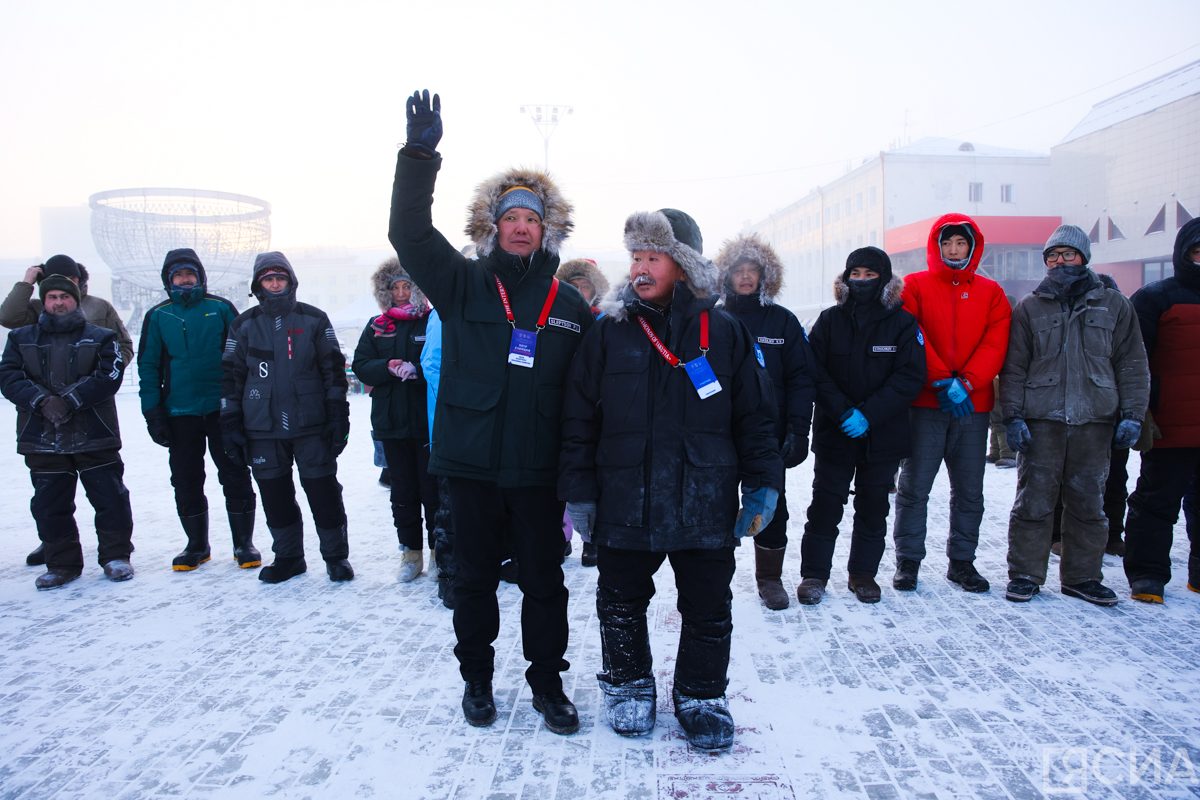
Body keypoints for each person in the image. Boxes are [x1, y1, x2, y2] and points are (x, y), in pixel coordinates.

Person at [389, 90, 595, 735]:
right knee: (473, 584)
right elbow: (409, 233)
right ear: (494, 225)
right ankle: (476, 682)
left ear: (546, 229)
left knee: (544, 586)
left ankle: (547, 685)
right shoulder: (461, 283)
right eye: (511, 216)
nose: (521, 225)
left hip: (537, 474)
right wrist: (420, 155)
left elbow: (587, 395)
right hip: (471, 467)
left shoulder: (569, 304)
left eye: (533, 217)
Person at [560, 208, 780, 750]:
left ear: (682, 266)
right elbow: (577, 417)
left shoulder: (724, 332)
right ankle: (629, 684)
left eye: (652, 257)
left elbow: (756, 417)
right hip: (624, 496)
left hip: (703, 498)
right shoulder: (608, 330)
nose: (639, 267)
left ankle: (702, 694)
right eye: (635, 256)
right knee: (619, 601)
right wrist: (580, 493)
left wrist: (763, 484)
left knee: (708, 605)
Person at [999, 225, 1149, 605]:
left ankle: (1082, 577)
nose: (1060, 261)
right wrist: (1012, 417)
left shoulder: (1114, 305)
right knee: (1033, 501)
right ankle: (1025, 575)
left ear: (1084, 257)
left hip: (1095, 422)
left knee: (1088, 503)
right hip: (1041, 421)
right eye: (1053, 255)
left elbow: (1132, 363)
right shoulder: (1030, 306)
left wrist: (1132, 414)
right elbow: (1014, 367)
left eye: (1068, 254)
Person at [797, 247, 925, 605]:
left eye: (871, 275)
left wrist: (869, 414)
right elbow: (815, 371)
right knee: (825, 502)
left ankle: (862, 573)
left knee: (873, 505)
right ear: (846, 278)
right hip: (836, 431)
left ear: (884, 280)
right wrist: (843, 413)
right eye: (857, 274)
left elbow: (909, 377)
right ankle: (814, 575)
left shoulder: (903, 323)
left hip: (882, 433)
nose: (863, 281)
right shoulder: (829, 320)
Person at [891, 215, 1011, 594]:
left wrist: (969, 383)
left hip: (971, 408)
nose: (954, 250)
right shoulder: (915, 286)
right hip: (927, 403)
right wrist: (943, 380)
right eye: (947, 244)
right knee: (915, 487)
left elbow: (996, 342)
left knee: (969, 490)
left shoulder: (991, 292)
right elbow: (912, 334)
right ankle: (908, 562)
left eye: (961, 243)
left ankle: (962, 562)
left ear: (972, 246)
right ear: (936, 246)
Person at [220, 252, 354, 584]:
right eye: (268, 279)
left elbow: (334, 372)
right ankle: (289, 556)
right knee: (275, 495)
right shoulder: (243, 325)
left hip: (311, 425)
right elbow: (230, 377)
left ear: (291, 281)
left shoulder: (314, 319)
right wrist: (230, 422)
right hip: (261, 428)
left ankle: (336, 557)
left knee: (323, 492)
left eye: (280, 278)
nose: (275, 284)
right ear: (258, 285)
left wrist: (338, 415)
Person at [0, 274, 135, 589]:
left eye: (64, 296)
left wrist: (71, 400)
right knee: (50, 505)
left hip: (94, 433)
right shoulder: (21, 338)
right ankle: (61, 563)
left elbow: (109, 373)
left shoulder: (101, 337)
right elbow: (8, 375)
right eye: (52, 297)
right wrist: (42, 401)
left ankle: (116, 556)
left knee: (110, 498)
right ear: (43, 301)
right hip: (42, 437)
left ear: (76, 299)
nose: (58, 302)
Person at [138, 248, 259, 571]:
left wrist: (243, 405)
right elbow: (148, 367)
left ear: (200, 276)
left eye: (190, 274)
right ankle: (197, 545)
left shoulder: (220, 309)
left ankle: (243, 543)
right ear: (169, 281)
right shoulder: (159, 315)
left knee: (234, 473)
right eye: (178, 276)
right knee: (186, 479)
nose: (185, 280)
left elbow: (243, 357)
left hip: (223, 409)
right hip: (179, 412)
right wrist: (153, 413)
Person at [714, 233, 816, 610]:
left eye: (751, 271)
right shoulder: (713, 318)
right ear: (726, 275)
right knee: (716, 506)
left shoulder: (782, 321)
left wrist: (797, 429)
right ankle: (714, 577)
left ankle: (769, 579)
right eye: (737, 270)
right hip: (719, 433)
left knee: (772, 506)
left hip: (768, 436)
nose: (744, 277)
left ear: (764, 276)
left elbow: (803, 378)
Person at [1123, 218, 1200, 603]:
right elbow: (1135, 361)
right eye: (1198, 252)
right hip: (1170, 425)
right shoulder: (1156, 297)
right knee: (1156, 502)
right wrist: (1141, 411)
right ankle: (1148, 574)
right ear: (1183, 254)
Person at [352, 258, 437, 582]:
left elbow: (440, 358)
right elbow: (360, 364)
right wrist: (387, 366)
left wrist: (416, 369)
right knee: (401, 493)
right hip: (390, 422)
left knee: (431, 491)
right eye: (395, 287)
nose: (401, 293)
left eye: (406, 286)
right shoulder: (377, 324)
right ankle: (410, 553)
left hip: (426, 421)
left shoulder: (431, 319)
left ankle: (437, 551)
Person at [555, 258, 611, 567]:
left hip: (594, 407)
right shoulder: (553, 315)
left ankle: (592, 540)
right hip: (558, 405)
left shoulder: (606, 321)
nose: (578, 292)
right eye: (572, 286)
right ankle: (562, 536)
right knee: (564, 475)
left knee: (592, 474)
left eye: (584, 286)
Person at [988, 294, 1019, 469]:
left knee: (1001, 421)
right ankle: (997, 453)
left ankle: (1006, 454)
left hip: (1002, 383)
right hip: (997, 383)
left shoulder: (1008, 328)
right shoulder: (1010, 326)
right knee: (997, 420)